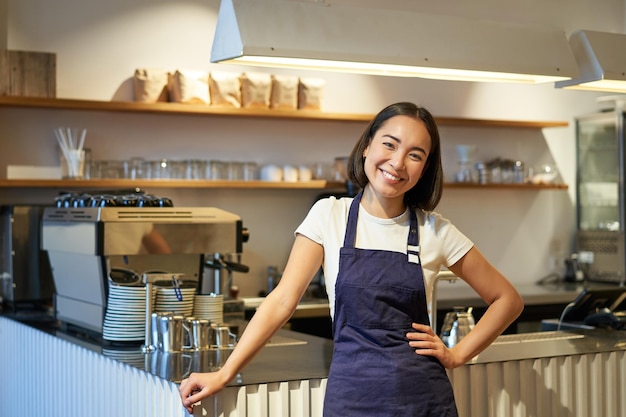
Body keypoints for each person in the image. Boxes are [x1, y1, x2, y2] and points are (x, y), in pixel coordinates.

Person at [179, 102, 524, 416]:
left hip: (423, 402)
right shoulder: (329, 215)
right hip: (351, 400)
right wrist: (225, 372)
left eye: (415, 155)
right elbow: (282, 301)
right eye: (389, 144)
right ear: (367, 146)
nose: (398, 162)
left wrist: (458, 354)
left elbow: (507, 300)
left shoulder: (435, 230)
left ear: (424, 169)